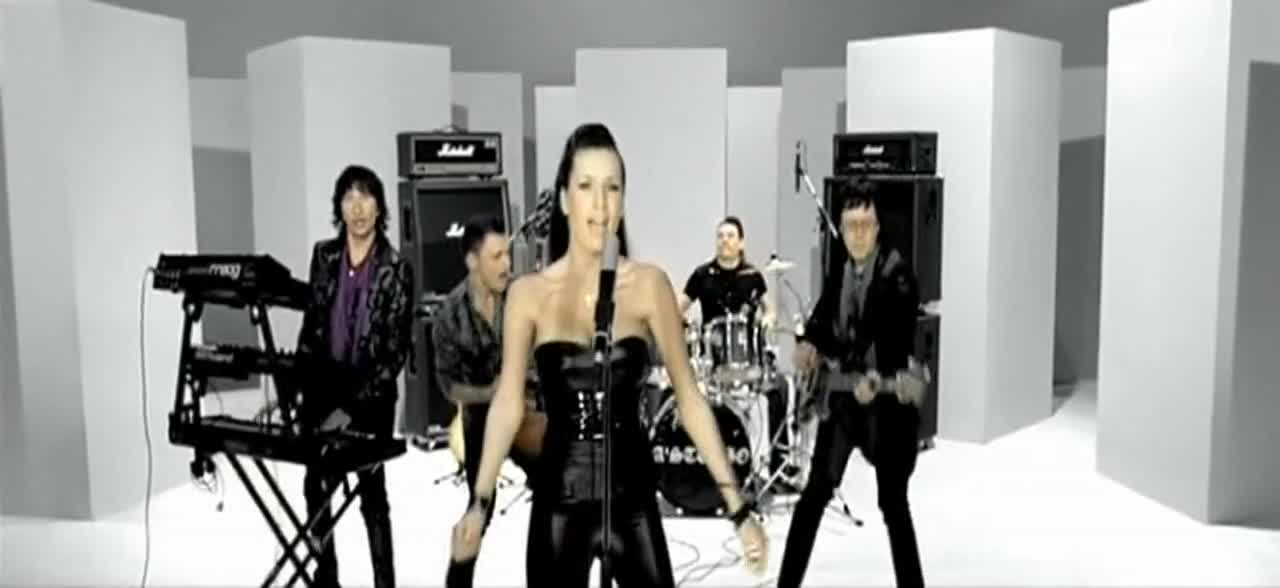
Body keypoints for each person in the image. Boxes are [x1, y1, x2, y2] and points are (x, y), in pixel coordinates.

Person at [451, 123, 768, 587]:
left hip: (633, 497)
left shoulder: (649, 285)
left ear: (622, 200)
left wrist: (738, 510)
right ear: (564, 200)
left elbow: (690, 399)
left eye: (612, 188)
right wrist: (479, 503)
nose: (600, 205)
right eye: (586, 187)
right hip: (559, 498)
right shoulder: (528, 294)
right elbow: (508, 404)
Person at [777, 176, 927, 588]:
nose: (857, 234)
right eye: (850, 226)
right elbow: (821, 321)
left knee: (893, 506)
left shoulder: (898, 276)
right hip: (845, 404)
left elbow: (898, 340)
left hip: (887, 408)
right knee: (813, 498)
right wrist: (808, 345)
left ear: (877, 228)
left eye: (865, 225)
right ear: (841, 229)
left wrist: (877, 378)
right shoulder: (840, 270)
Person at [295, 164, 413, 588]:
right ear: (339, 207)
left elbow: (394, 354)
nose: (357, 208)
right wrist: (297, 389)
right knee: (315, 485)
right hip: (324, 388)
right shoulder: (324, 257)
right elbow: (311, 329)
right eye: (349, 198)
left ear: (379, 207)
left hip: (371, 397)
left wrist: (350, 409)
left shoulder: (396, 268)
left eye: (365, 197)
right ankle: (326, 577)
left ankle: (385, 583)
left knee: (372, 494)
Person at [432, 213, 543, 588]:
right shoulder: (449, 313)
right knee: (481, 506)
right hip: (480, 418)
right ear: (472, 260)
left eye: (508, 254)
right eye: (497, 256)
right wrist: (491, 393)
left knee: (555, 492)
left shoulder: (521, 298)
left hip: (526, 412)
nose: (507, 264)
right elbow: (449, 387)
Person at [678, 216, 777, 328]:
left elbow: (770, 310)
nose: (725, 240)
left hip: (745, 337)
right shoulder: (702, 274)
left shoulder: (753, 276)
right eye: (720, 236)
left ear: (741, 243)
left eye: (730, 236)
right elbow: (677, 308)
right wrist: (686, 322)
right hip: (711, 337)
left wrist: (768, 319)